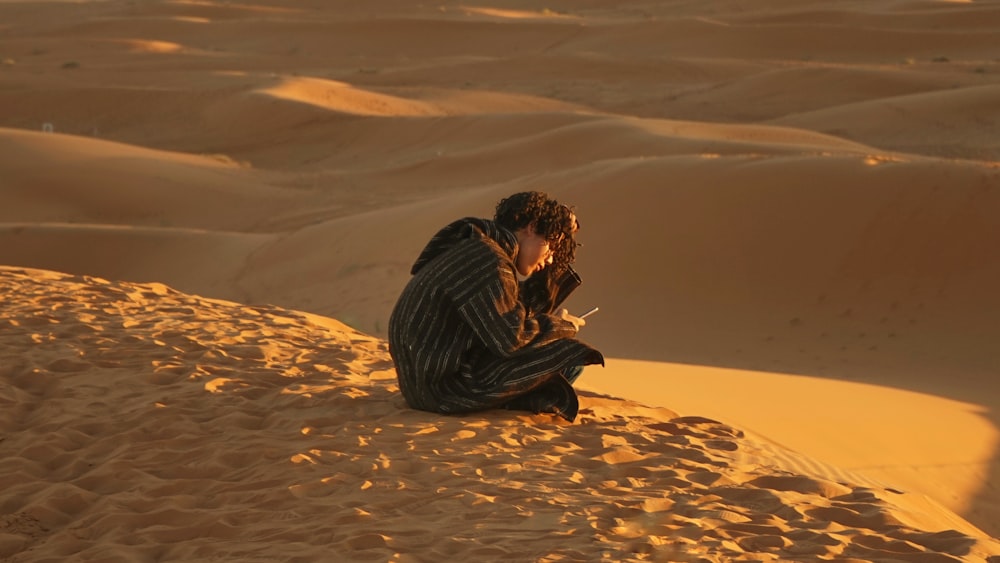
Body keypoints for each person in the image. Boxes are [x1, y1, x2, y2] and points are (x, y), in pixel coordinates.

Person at [388, 191, 603, 422]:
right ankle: (515, 402)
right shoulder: (489, 261)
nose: (551, 259)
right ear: (531, 227)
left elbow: (513, 313)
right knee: (567, 360)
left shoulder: (476, 248)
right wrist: (562, 326)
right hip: (443, 390)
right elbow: (511, 338)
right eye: (551, 247)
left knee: (553, 359)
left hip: (422, 385)